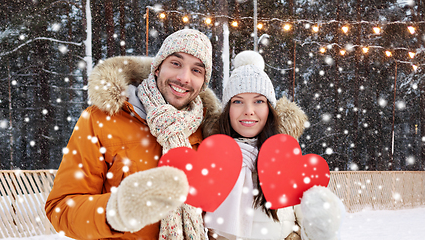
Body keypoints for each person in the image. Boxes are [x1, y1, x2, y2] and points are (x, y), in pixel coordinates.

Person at [45, 29, 221, 240]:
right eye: (176, 63)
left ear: (203, 83)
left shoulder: (208, 131)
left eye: (196, 70)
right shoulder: (101, 119)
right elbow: (61, 208)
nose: (184, 77)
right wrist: (116, 211)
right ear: (157, 68)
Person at [203, 51, 344, 240]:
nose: (249, 111)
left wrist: (313, 226)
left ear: (270, 110)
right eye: (238, 101)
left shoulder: (287, 165)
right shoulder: (211, 162)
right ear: (228, 110)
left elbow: (311, 233)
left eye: (259, 101)